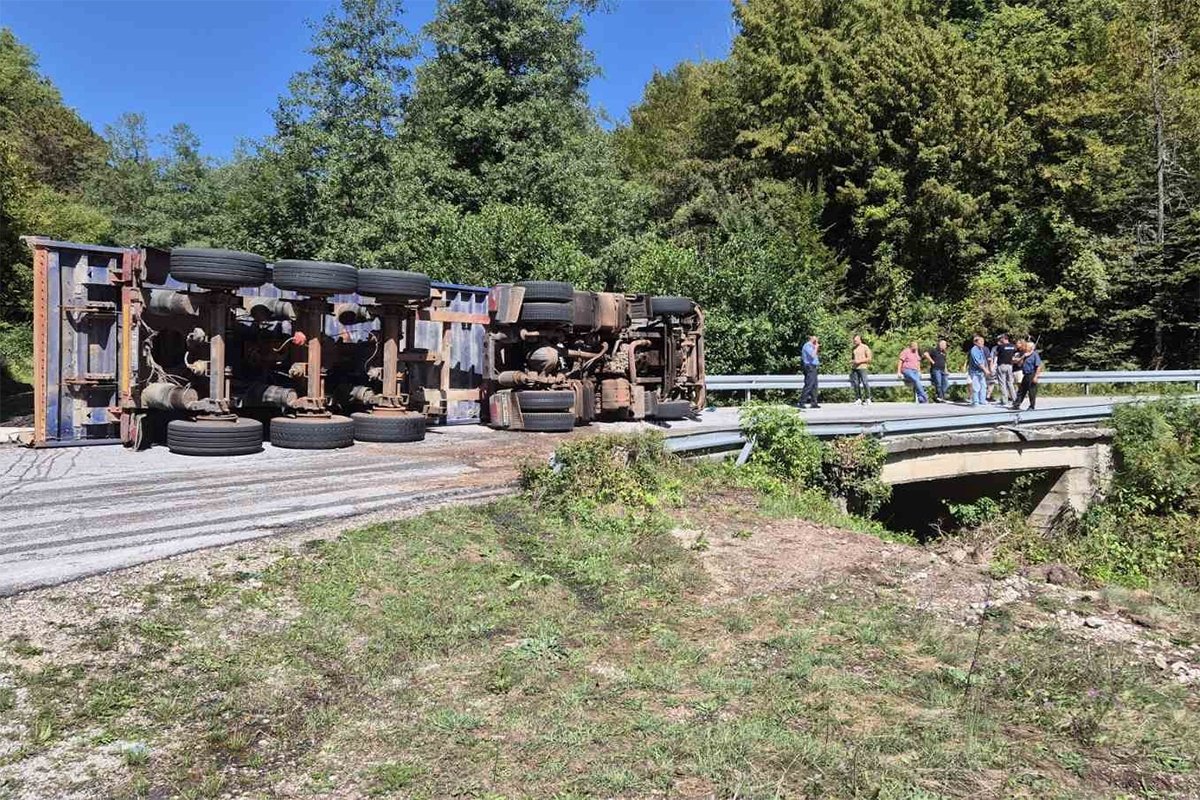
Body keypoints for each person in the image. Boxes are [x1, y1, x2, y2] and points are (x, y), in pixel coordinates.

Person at [1012, 339, 1043, 410]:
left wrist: (1036, 376)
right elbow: (1019, 364)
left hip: (1032, 374)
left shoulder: (1035, 355)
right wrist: (1023, 357)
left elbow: (1038, 366)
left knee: (1032, 391)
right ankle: (1016, 405)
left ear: (1031, 348)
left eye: (1027, 346)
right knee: (1021, 390)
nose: (1025, 347)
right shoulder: (1025, 354)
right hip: (1025, 374)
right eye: (1025, 346)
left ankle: (1032, 406)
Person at [962, 335, 991, 406]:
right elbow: (978, 362)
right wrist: (985, 370)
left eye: (983, 341)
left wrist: (986, 369)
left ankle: (982, 400)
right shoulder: (974, 350)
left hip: (981, 371)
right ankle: (975, 401)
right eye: (981, 341)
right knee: (976, 386)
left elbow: (984, 360)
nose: (983, 343)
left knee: (983, 386)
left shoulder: (981, 349)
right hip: (974, 371)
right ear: (976, 342)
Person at [991, 334, 1018, 407]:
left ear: (1004, 339)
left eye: (1001, 339)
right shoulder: (1013, 346)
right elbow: (1014, 355)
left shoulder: (1000, 346)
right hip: (1009, 366)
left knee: (1002, 383)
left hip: (1001, 365)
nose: (1000, 340)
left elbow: (996, 354)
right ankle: (1014, 399)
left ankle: (1005, 400)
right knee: (1010, 383)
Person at [849, 334, 873, 405]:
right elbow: (853, 358)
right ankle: (858, 398)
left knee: (865, 382)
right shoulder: (854, 349)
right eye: (854, 341)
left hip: (863, 368)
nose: (855, 342)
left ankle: (868, 398)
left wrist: (859, 361)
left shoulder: (865, 347)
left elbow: (869, 358)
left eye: (856, 340)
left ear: (860, 339)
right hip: (855, 368)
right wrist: (852, 361)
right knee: (856, 384)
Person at [799, 334, 821, 409]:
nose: (816, 339)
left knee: (814, 385)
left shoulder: (812, 346)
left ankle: (814, 402)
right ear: (811, 338)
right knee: (809, 384)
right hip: (809, 367)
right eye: (815, 337)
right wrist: (816, 347)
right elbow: (812, 355)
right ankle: (802, 402)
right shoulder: (807, 345)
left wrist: (815, 347)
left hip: (813, 367)